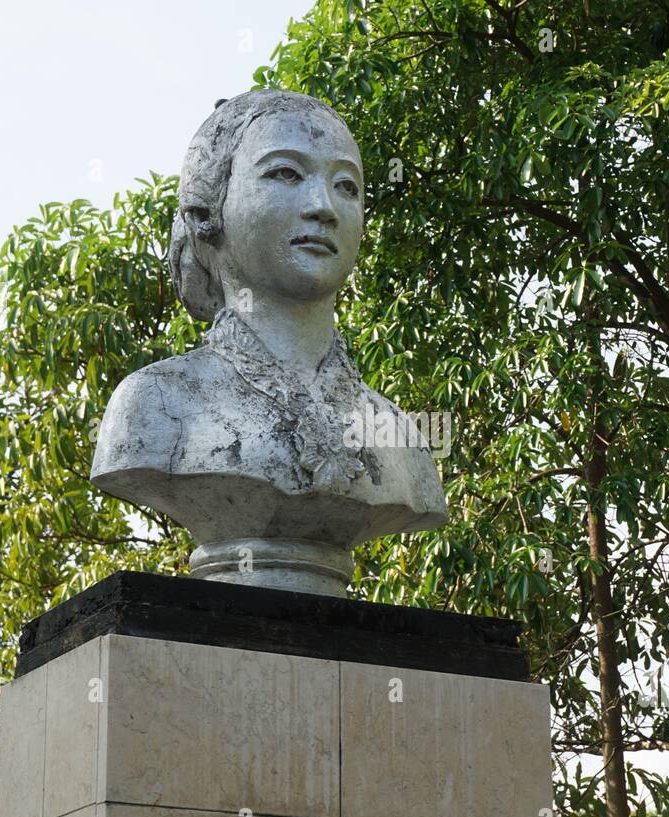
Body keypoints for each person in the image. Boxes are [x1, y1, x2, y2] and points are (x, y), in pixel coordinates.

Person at [91, 90, 447, 597]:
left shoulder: (400, 438)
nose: (324, 207)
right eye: (285, 174)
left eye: (346, 185)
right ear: (204, 214)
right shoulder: (154, 405)